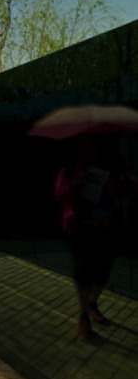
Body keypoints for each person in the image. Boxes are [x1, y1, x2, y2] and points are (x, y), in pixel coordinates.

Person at [54, 135, 132, 339]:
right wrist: (77, 183)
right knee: (83, 272)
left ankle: (92, 304)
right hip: (81, 228)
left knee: (103, 271)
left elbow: (123, 195)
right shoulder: (69, 172)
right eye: (84, 151)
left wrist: (117, 183)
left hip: (107, 228)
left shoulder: (112, 172)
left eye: (92, 150)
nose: (89, 155)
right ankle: (83, 316)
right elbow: (60, 194)